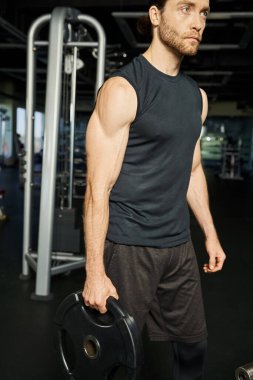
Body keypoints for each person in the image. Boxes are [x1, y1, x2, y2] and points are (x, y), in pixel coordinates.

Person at [82, 0, 226, 378]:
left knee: (194, 348)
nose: (197, 22)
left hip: (178, 246)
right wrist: (94, 271)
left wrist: (210, 234)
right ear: (155, 15)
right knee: (116, 357)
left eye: (204, 13)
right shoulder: (123, 89)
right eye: (185, 8)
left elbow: (192, 170)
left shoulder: (197, 97)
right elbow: (98, 186)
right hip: (129, 246)